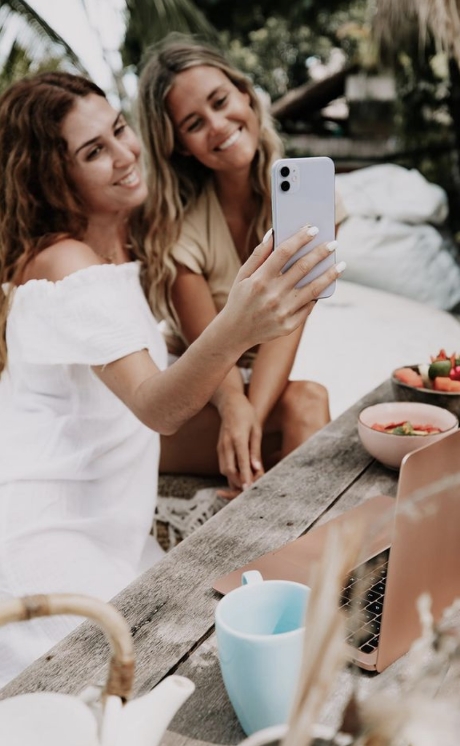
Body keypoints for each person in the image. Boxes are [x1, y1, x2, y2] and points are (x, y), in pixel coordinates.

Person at [0, 71, 344, 686]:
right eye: (94, 151)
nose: (124, 154)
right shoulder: (65, 263)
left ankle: (315, 588)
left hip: (108, 515)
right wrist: (238, 324)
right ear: (53, 178)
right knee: (123, 686)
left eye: (119, 129)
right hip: (47, 530)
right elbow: (156, 408)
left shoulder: (125, 243)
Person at [136, 36, 347, 497]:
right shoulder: (177, 229)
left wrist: (250, 414)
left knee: (309, 402)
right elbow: (210, 344)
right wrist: (235, 405)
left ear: (246, 96)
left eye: (220, 101)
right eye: (194, 123)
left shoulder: (310, 200)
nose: (218, 126)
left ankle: (299, 535)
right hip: (197, 385)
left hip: (261, 385)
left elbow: (288, 324)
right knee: (306, 409)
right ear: (180, 146)